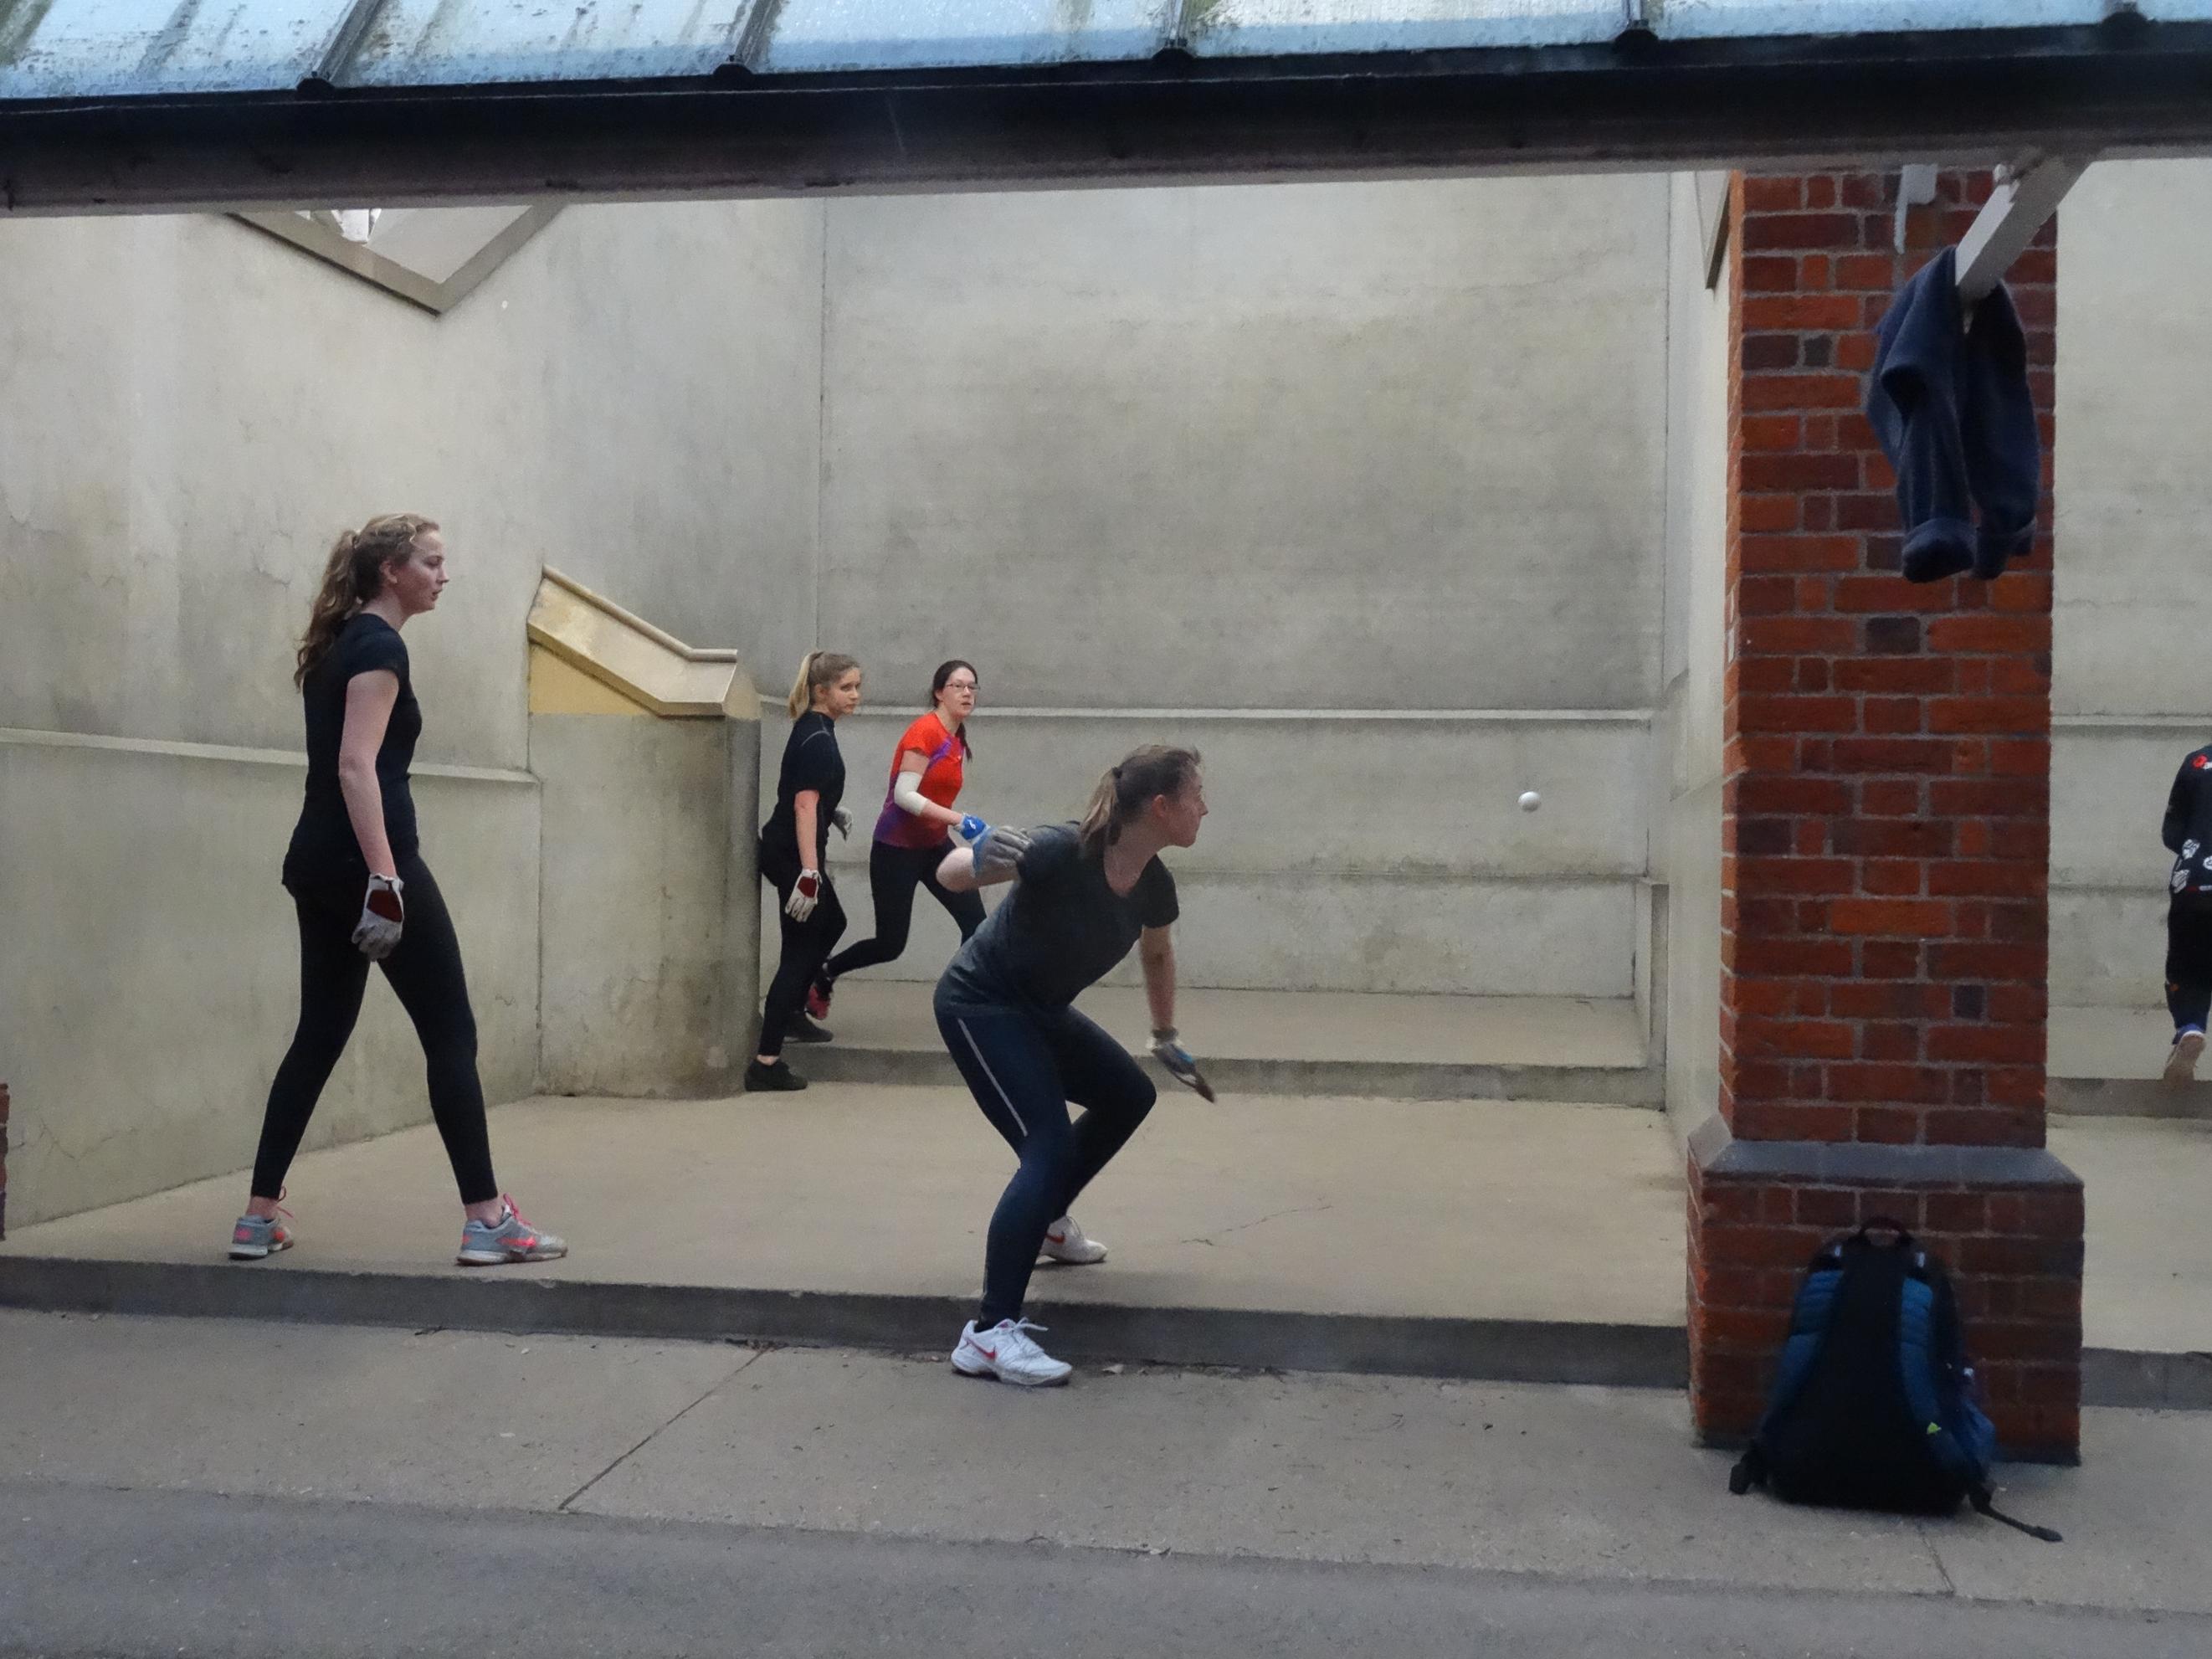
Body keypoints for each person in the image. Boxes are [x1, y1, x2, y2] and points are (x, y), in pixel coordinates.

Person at [231, 514, 566, 1266]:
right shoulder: (381, 646)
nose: (444, 575)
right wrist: (385, 877)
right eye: (432, 562)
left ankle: (258, 1216)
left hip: (315, 865)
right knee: (452, 1033)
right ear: (391, 570)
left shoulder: (342, 643)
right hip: (366, 864)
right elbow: (357, 767)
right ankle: (487, 1219)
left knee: (319, 1034)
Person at [932, 745, 1214, 1386]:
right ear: (1162, 807)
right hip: (981, 1005)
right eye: (1196, 793)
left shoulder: (1152, 883)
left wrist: (1164, 1034)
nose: (1205, 806)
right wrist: (979, 855)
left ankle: (1048, 1220)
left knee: (1127, 1095)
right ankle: (988, 1334)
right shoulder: (1062, 850)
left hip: (1040, 1009)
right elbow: (951, 874)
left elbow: (1157, 956)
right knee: (1047, 1146)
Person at [810, 660, 988, 1017]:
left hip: (935, 846)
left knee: (977, 926)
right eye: (958, 686)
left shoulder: (955, 737)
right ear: (940, 692)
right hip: (897, 851)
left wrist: (951, 825)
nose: (967, 693)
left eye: (972, 687)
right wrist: (959, 820)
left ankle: (966, 998)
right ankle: (825, 973)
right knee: (890, 944)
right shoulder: (926, 732)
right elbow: (905, 796)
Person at [748, 650, 863, 1092]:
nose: (855, 695)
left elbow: (808, 796)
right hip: (793, 857)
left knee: (831, 923)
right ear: (822, 691)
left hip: (793, 850)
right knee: (801, 951)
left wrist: (831, 811)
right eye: (846, 688)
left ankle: (794, 1011)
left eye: (856, 686)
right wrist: (809, 874)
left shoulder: (816, 730)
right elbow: (801, 803)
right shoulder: (818, 738)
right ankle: (766, 1062)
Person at [2160, 742, 2212, 1086]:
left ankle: (2190, 1028)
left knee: (2188, 965)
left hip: (2194, 884)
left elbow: (2172, 832)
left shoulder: (2196, 761)